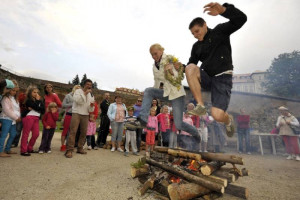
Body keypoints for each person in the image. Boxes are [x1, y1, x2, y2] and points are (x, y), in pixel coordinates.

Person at [184, 2, 247, 138]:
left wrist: (224, 10)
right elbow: (191, 66)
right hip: (207, 77)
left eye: (197, 31)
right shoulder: (196, 47)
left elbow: (241, 19)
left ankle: (228, 119)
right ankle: (200, 106)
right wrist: (179, 68)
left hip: (222, 77)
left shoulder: (219, 31)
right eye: (192, 33)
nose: (195, 35)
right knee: (189, 67)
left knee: (217, 115)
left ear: (204, 25)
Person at [132, 44, 199, 143]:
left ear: (161, 50)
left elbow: (180, 76)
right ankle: (143, 119)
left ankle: (195, 132)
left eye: (155, 53)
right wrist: (152, 95)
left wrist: (172, 72)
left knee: (179, 123)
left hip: (177, 95)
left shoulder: (170, 59)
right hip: (166, 93)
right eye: (152, 55)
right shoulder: (155, 66)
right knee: (148, 91)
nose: (154, 56)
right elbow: (157, 82)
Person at [65, 79, 95, 158]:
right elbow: (78, 101)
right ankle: (69, 150)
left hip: (85, 114)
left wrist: (92, 107)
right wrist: (85, 93)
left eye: (90, 85)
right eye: (88, 84)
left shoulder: (91, 95)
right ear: (84, 84)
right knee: (73, 131)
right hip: (76, 113)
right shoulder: (78, 91)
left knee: (84, 132)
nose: (89, 86)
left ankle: (80, 148)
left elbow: (90, 109)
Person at [20, 86, 45, 156]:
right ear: (30, 93)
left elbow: (43, 110)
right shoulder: (28, 100)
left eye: (37, 92)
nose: (36, 94)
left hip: (36, 118)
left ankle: (29, 148)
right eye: (34, 92)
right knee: (26, 134)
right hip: (28, 117)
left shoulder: (39, 100)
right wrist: (37, 104)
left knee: (36, 134)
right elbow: (36, 107)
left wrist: (37, 104)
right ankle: (23, 150)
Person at [0, 81, 20, 157]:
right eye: (13, 90)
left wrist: (18, 116)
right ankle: (0, 151)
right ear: (9, 89)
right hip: (6, 118)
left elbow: (17, 109)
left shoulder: (15, 99)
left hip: (13, 120)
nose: (14, 92)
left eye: (16, 91)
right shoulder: (5, 98)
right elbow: (7, 110)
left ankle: (7, 149)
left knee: (13, 134)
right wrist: (16, 117)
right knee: (3, 135)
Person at [60, 85, 81, 151]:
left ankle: (69, 145)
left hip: (76, 115)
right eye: (77, 88)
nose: (78, 90)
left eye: (79, 89)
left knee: (73, 131)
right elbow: (63, 105)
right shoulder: (68, 96)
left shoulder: (80, 97)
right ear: (74, 89)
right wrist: (72, 104)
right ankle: (62, 145)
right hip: (69, 114)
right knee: (65, 130)